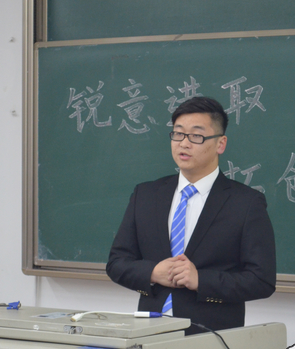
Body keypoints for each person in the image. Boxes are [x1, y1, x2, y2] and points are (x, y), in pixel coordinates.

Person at [106, 96, 276, 335]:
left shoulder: (246, 203)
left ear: (220, 144)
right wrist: (153, 273)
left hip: (211, 337)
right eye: (178, 134)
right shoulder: (146, 195)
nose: (183, 144)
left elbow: (261, 280)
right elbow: (117, 263)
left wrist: (201, 280)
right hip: (147, 334)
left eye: (196, 136)